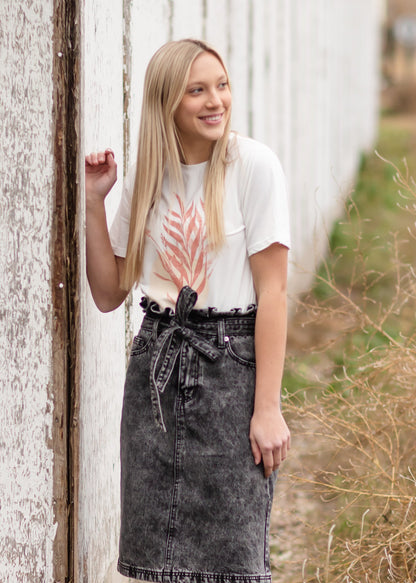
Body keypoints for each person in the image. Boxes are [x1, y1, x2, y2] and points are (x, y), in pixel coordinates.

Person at [85, 38, 291, 583]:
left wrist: (267, 408)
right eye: (196, 90)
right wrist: (93, 201)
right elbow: (108, 293)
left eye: (221, 85)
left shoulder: (253, 166)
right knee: (155, 562)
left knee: (234, 563)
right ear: (167, 103)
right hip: (156, 366)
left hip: (231, 366)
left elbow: (273, 294)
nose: (215, 100)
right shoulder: (146, 180)